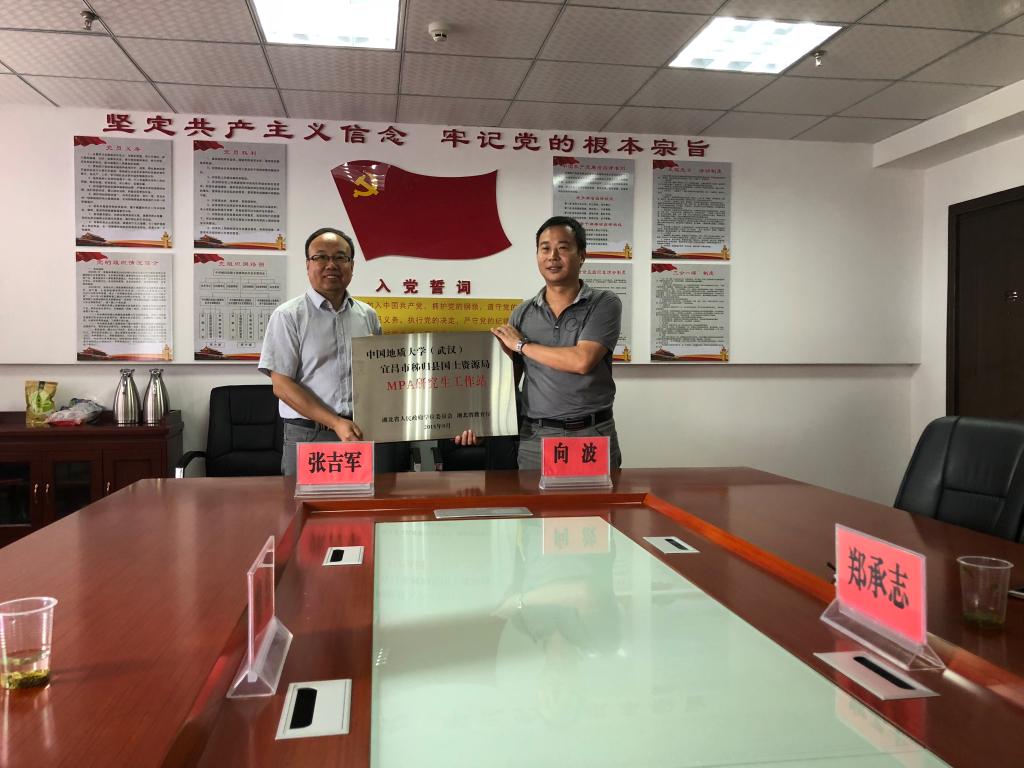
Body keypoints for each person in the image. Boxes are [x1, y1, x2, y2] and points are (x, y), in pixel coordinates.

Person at [458, 216, 622, 470]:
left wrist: (522, 345)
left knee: (595, 498)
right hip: (536, 438)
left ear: (582, 255)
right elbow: (508, 382)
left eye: (563, 248)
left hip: (592, 434)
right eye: (545, 248)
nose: (552, 256)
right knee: (535, 498)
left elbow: (582, 360)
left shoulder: (604, 303)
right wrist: (484, 424)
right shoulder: (522, 314)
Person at [259, 226, 405, 475]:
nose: (331, 265)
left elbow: (378, 376)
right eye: (321, 257)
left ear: (352, 265)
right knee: (305, 500)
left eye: (340, 257)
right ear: (308, 265)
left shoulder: (367, 315)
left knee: (368, 499)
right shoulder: (288, 316)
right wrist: (336, 423)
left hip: (362, 431)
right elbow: (282, 385)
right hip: (310, 434)